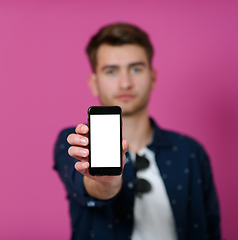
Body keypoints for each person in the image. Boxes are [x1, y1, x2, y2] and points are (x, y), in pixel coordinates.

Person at [53, 23, 220, 240]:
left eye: (136, 69)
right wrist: (106, 181)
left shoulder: (190, 152)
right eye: (111, 71)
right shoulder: (75, 141)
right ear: (94, 83)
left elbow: (211, 230)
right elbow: (89, 187)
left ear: (152, 77)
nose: (125, 83)